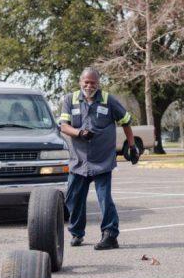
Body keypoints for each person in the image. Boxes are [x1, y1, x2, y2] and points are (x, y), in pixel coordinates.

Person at [57, 67, 137, 250]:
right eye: (86, 82)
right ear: (80, 82)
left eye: (93, 82)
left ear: (98, 84)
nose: (89, 85)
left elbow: (126, 122)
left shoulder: (108, 100)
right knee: (73, 198)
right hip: (78, 161)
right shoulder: (70, 99)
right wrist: (79, 133)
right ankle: (77, 233)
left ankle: (110, 235)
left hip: (102, 161)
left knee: (104, 199)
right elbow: (63, 126)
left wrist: (132, 146)